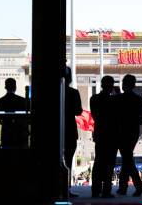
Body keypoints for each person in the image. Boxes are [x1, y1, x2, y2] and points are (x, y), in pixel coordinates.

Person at [115, 74, 142, 196]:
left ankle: (137, 186)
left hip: (121, 132)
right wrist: (135, 123)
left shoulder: (118, 99)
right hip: (133, 132)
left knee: (127, 159)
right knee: (127, 159)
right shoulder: (139, 99)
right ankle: (125, 187)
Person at [90, 76, 118, 198]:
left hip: (100, 134)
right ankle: (106, 190)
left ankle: (95, 190)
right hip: (111, 135)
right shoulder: (114, 101)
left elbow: (95, 116)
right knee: (109, 164)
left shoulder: (94, 99)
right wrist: (117, 94)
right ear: (111, 86)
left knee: (98, 162)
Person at [63, 67, 83, 198]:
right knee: (68, 161)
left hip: (55, 129)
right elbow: (78, 111)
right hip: (69, 129)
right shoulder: (73, 93)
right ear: (70, 79)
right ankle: (66, 188)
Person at [0, 78, 28, 148]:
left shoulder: (0, 101)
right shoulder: (23, 100)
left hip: (6, 132)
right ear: (15, 87)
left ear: (5, 87)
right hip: (20, 133)